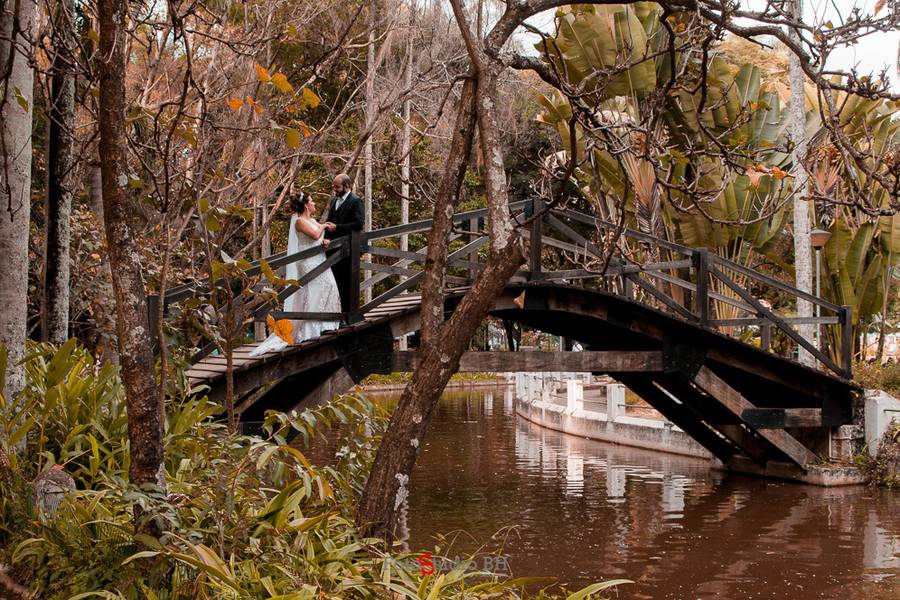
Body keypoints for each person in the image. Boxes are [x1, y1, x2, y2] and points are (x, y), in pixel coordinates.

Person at [251, 192, 341, 356]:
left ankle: (323, 325)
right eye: (312, 201)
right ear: (306, 205)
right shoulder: (299, 221)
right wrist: (325, 226)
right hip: (307, 262)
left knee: (329, 286)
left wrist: (324, 241)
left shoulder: (312, 221)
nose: (314, 203)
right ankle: (307, 329)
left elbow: (316, 239)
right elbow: (314, 234)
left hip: (319, 259)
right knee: (313, 291)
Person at [323, 173, 365, 317]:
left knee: (346, 284)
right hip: (333, 250)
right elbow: (330, 220)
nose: (334, 188)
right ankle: (338, 315)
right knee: (335, 283)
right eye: (334, 186)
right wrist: (325, 238)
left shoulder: (356, 201)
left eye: (337, 186)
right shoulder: (334, 201)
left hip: (348, 250)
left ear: (346, 186)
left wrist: (338, 227)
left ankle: (348, 315)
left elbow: (358, 224)